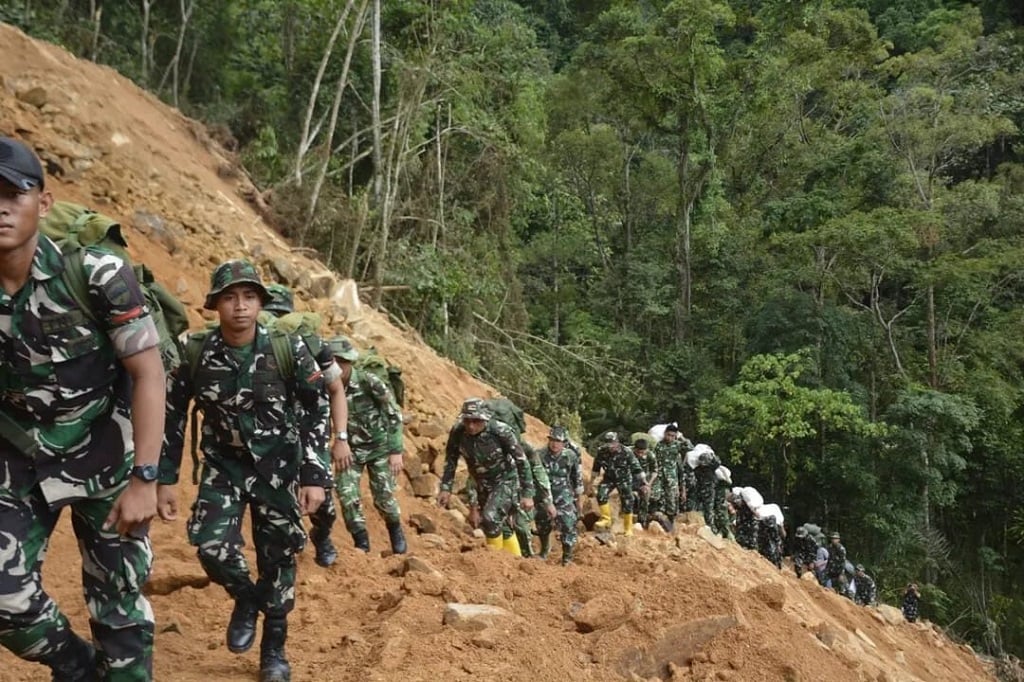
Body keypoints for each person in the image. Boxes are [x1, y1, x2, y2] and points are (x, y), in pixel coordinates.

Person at [0, 136, 165, 680]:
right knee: (5, 599)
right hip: (17, 456)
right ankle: (73, 663)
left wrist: (145, 477)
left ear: (42, 204)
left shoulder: (96, 273)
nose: (0, 208)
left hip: (105, 453)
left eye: (12, 194)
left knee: (120, 616)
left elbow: (148, 374)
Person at [159, 260, 329, 682]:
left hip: (279, 467)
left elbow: (316, 407)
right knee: (211, 547)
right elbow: (172, 415)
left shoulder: (287, 347)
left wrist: (314, 473)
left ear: (260, 303)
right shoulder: (195, 351)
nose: (240, 306)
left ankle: (274, 649)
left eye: (249, 297)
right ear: (215, 305)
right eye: (230, 298)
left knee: (278, 558)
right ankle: (247, 598)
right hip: (224, 466)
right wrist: (162, 478)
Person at [263, 283, 351, 567]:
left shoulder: (313, 345)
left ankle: (322, 535)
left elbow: (336, 390)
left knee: (323, 504)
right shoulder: (248, 342)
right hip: (270, 435)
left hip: (310, 434)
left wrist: (341, 437)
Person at [327, 336, 407, 555]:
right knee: (346, 494)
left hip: (379, 448)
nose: (338, 367)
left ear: (350, 362)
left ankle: (396, 533)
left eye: (342, 362)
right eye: (333, 362)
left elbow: (393, 414)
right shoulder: (325, 387)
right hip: (349, 452)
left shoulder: (369, 382)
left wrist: (395, 451)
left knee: (383, 497)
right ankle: (361, 542)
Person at [437, 399, 534, 553]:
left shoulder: (500, 431)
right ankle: (515, 564)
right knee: (501, 526)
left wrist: (527, 494)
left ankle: (494, 560)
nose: (471, 426)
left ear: (485, 419)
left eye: (476, 421)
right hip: (481, 482)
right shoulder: (458, 432)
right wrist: (445, 488)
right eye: (467, 421)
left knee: (490, 518)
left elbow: (522, 461)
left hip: (505, 480)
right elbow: (451, 460)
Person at [535, 426, 583, 565]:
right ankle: (544, 551)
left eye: (558, 441)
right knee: (542, 524)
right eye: (552, 440)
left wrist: (579, 500)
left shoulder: (570, 456)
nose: (554, 444)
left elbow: (577, 478)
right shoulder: (539, 455)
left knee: (568, 524)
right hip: (543, 495)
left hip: (564, 494)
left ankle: (567, 558)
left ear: (564, 443)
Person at [591, 432, 647, 535]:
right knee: (601, 494)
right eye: (608, 443)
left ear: (617, 442)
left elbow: (637, 468)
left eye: (612, 443)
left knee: (627, 501)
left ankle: (628, 528)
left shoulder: (626, 452)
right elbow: (596, 468)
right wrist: (592, 482)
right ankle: (606, 519)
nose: (610, 446)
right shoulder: (602, 451)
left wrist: (644, 482)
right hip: (609, 478)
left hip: (624, 479)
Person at [651, 425, 685, 521]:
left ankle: (671, 521)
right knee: (655, 497)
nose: (670, 438)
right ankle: (655, 518)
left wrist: (681, 437)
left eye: (673, 436)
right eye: (668, 435)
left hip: (671, 477)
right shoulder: (658, 445)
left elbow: (690, 447)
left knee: (671, 500)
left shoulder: (677, 445)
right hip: (659, 476)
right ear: (665, 434)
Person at [632, 438, 657, 529]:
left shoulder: (650, 456)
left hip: (644, 482)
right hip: (629, 480)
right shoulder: (628, 454)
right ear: (635, 449)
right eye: (638, 452)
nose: (640, 455)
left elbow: (654, 471)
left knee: (645, 494)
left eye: (642, 452)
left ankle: (642, 520)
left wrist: (648, 484)